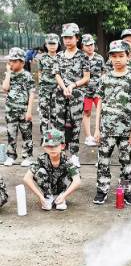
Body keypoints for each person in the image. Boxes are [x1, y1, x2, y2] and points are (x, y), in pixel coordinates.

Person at [93, 40, 131, 206]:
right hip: (106, 129)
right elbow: (99, 103)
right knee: (103, 162)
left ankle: (126, 191)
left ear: (129, 57)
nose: (117, 59)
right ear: (109, 58)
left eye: (121, 55)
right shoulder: (105, 79)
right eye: (114, 56)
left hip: (126, 130)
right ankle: (102, 190)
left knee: (126, 163)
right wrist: (97, 128)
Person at [54, 23, 90, 168]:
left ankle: (74, 155)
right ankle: (60, 155)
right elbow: (56, 74)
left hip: (76, 95)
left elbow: (86, 77)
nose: (67, 41)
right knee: (59, 124)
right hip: (61, 94)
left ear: (77, 38)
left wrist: (72, 85)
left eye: (70, 38)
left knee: (75, 125)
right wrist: (64, 88)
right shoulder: (59, 56)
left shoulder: (83, 56)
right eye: (65, 38)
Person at [23, 128, 81, 211]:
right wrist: (40, 196)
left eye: (55, 146)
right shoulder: (42, 159)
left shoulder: (67, 160)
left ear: (62, 146)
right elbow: (27, 178)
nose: (52, 149)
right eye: (49, 146)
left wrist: (64, 195)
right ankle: (48, 197)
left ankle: (60, 197)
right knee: (40, 172)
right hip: (48, 189)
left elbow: (77, 181)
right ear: (44, 147)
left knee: (73, 174)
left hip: (62, 189)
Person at [2, 47, 35, 167]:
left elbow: (31, 94)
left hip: (23, 110)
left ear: (22, 62)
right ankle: (11, 156)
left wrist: (29, 111)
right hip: (10, 110)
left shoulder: (27, 75)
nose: (11, 63)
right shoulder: (9, 74)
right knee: (11, 134)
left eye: (14, 61)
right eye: (10, 60)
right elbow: (5, 88)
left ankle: (28, 156)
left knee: (26, 134)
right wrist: (9, 73)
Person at [81, 34, 105, 147]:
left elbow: (104, 73)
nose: (90, 47)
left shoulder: (99, 58)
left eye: (92, 44)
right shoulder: (81, 58)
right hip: (85, 91)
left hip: (98, 91)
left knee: (101, 112)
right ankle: (88, 136)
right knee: (87, 112)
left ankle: (100, 134)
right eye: (87, 45)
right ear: (83, 46)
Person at [38, 33, 60, 139]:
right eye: (49, 43)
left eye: (54, 43)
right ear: (46, 45)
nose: (52, 46)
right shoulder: (42, 58)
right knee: (44, 116)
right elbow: (39, 72)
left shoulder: (61, 57)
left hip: (57, 90)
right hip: (44, 91)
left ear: (58, 44)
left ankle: (54, 139)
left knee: (56, 115)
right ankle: (45, 138)